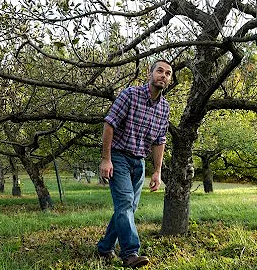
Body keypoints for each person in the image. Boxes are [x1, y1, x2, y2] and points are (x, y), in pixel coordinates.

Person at [97, 59, 172, 268]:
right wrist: (106, 158)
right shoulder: (130, 94)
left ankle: (104, 247)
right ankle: (130, 253)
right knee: (126, 204)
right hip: (119, 157)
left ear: (169, 80)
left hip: (139, 162)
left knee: (128, 207)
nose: (163, 75)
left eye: (167, 73)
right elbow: (109, 123)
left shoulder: (165, 108)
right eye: (159, 71)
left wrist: (157, 172)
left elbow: (159, 141)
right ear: (150, 74)